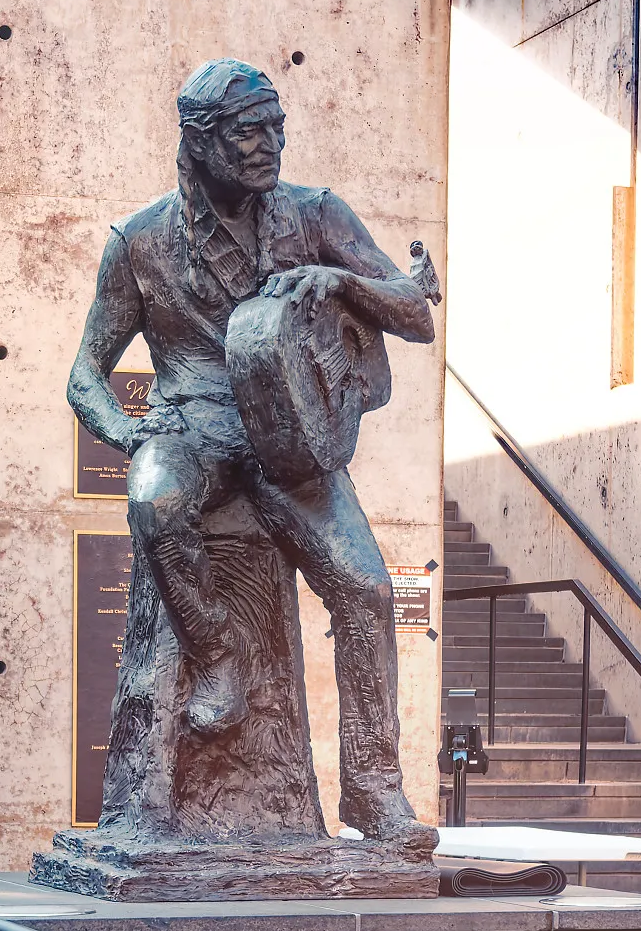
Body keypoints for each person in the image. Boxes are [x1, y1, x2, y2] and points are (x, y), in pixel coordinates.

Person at [67, 58, 438, 841]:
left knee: (367, 589)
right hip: (192, 425)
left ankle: (375, 791)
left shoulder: (315, 214)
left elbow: (415, 313)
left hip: (290, 445)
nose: (269, 144)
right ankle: (217, 656)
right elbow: (85, 376)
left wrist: (340, 283)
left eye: (276, 128)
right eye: (247, 133)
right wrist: (130, 434)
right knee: (154, 496)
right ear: (199, 143)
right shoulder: (139, 241)